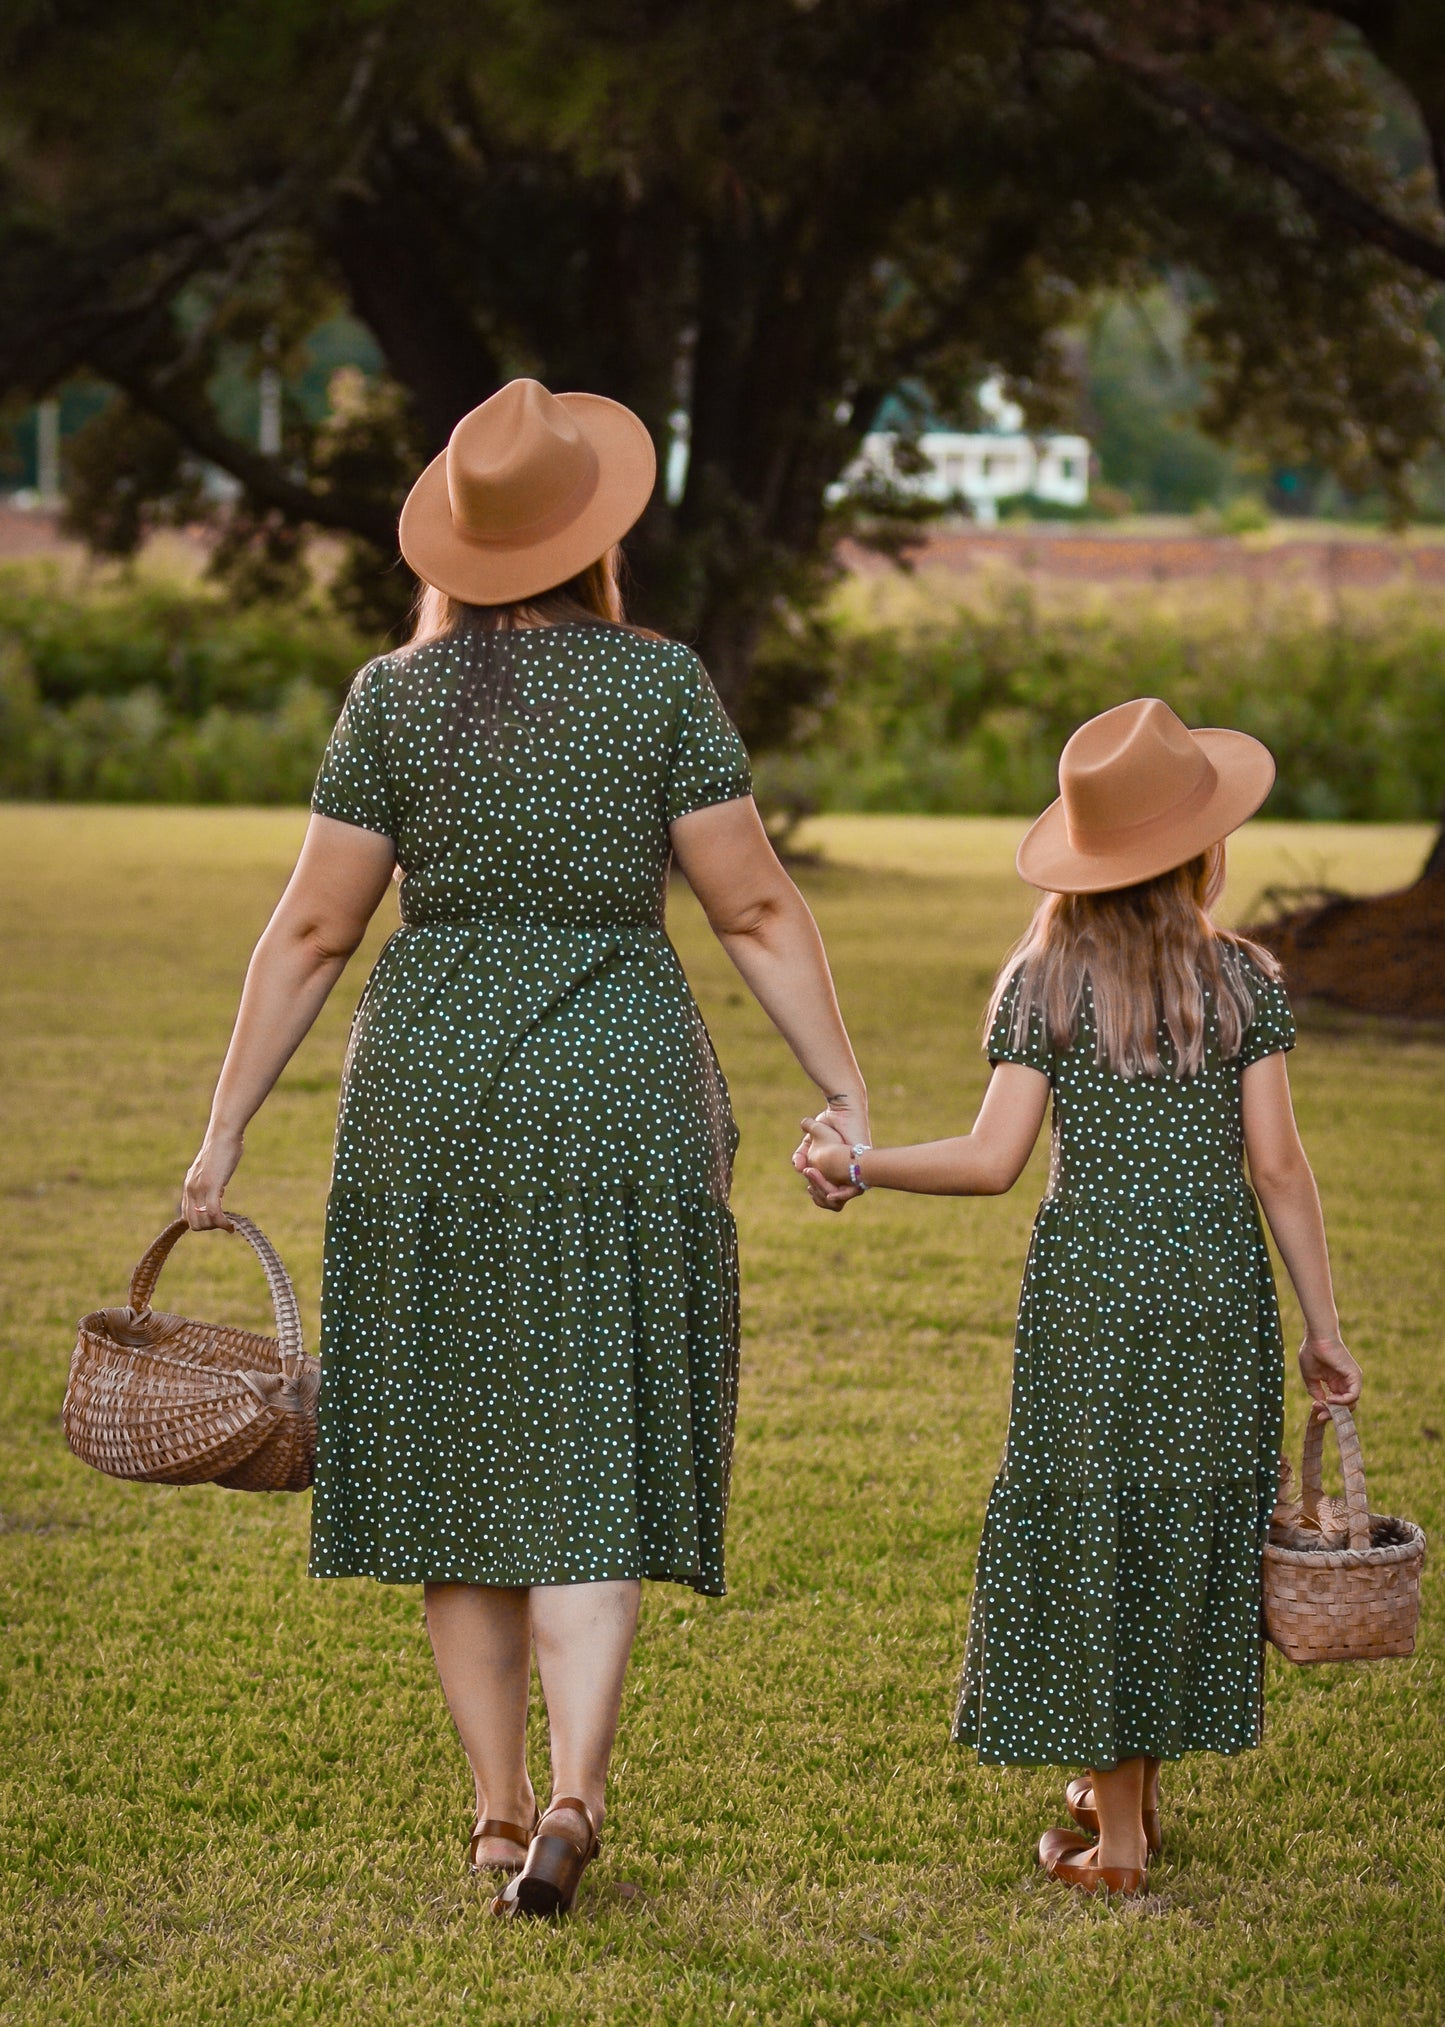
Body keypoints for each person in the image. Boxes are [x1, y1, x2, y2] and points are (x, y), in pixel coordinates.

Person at [181, 378, 867, 1918]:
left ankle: (496, 1817)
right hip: (617, 1086)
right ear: (592, 533)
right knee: (592, 1449)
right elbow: (753, 906)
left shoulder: (391, 698)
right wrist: (845, 1082)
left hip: (429, 1105)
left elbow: (310, 929)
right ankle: (574, 1792)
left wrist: (224, 1126)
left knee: (455, 1458)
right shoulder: (662, 684)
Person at [800, 697, 1362, 1894]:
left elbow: (991, 1158)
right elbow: (1277, 1166)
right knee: (1183, 1522)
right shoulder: (1241, 983)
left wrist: (860, 1162)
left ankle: (1112, 1848)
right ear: (1202, 849)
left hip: (1092, 1302)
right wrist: (1321, 1326)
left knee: (1098, 1520)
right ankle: (1132, 1805)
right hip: (1215, 1294)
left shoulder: (1041, 980)